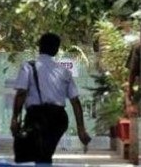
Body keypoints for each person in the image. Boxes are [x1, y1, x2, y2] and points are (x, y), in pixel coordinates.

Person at [10, 33, 92, 164]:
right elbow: (75, 102)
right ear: (56, 50)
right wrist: (81, 129)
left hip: (36, 117)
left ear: (39, 47)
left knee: (39, 153)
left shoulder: (28, 67)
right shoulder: (64, 71)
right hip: (58, 119)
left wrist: (15, 118)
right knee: (44, 153)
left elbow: (21, 94)